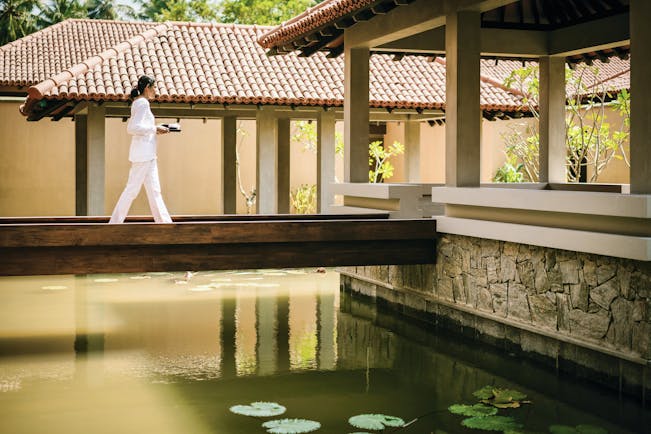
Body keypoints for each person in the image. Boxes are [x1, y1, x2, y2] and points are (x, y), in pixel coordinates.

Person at [108, 75, 173, 224]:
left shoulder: (139, 103)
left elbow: (141, 126)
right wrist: (155, 128)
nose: (155, 90)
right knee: (132, 190)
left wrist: (157, 128)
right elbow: (132, 128)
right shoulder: (143, 103)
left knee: (154, 191)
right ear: (147, 88)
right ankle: (114, 223)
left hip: (147, 155)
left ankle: (164, 224)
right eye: (153, 87)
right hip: (143, 155)